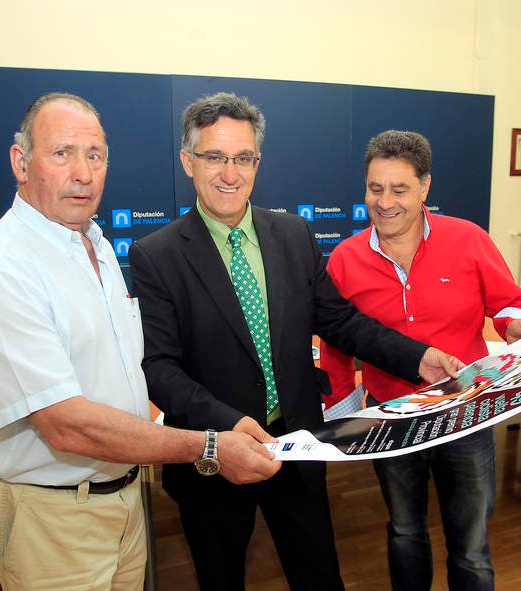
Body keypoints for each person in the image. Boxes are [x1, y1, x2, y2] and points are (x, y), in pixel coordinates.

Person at [127, 93, 464, 591]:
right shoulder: (156, 255)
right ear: (187, 161)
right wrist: (229, 426)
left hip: (297, 448)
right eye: (214, 157)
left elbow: (341, 322)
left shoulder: (292, 234)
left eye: (243, 158)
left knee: (320, 578)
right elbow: (159, 368)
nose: (229, 173)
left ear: (257, 163)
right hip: (217, 457)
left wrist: (418, 358)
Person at [0, 92, 281, 591]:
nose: (83, 173)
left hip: (123, 499)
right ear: (21, 162)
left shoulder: (95, 245)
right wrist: (209, 445)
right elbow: (66, 425)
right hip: (53, 517)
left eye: (95, 156)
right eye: (62, 153)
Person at [319, 130, 521, 591]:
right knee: (404, 530)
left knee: (472, 546)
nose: (385, 202)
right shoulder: (345, 258)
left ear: (425, 188)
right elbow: (336, 341)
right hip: (392, 418)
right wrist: (342, 416)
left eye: (399, 189)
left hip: (467, 413)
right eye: (375, 188)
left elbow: (508, 301)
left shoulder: (468, 239)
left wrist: (514, 322)